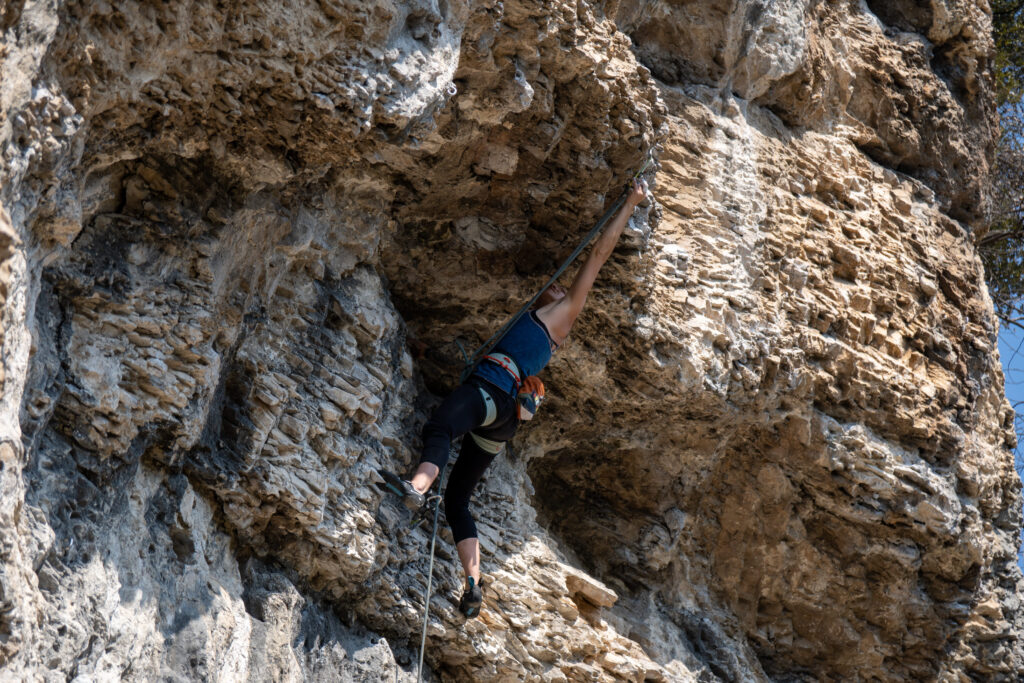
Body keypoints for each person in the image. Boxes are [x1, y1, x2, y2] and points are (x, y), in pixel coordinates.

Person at [384, 178, 648, 618]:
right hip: (501, 418)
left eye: (565, 290)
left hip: (492, 394)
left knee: (440, 429)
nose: (559, 288)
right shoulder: (537, 323)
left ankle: (415, 488)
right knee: (459, 502)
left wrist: (631, 203)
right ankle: (473, 585)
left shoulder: (561, 317)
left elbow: (598, 256)